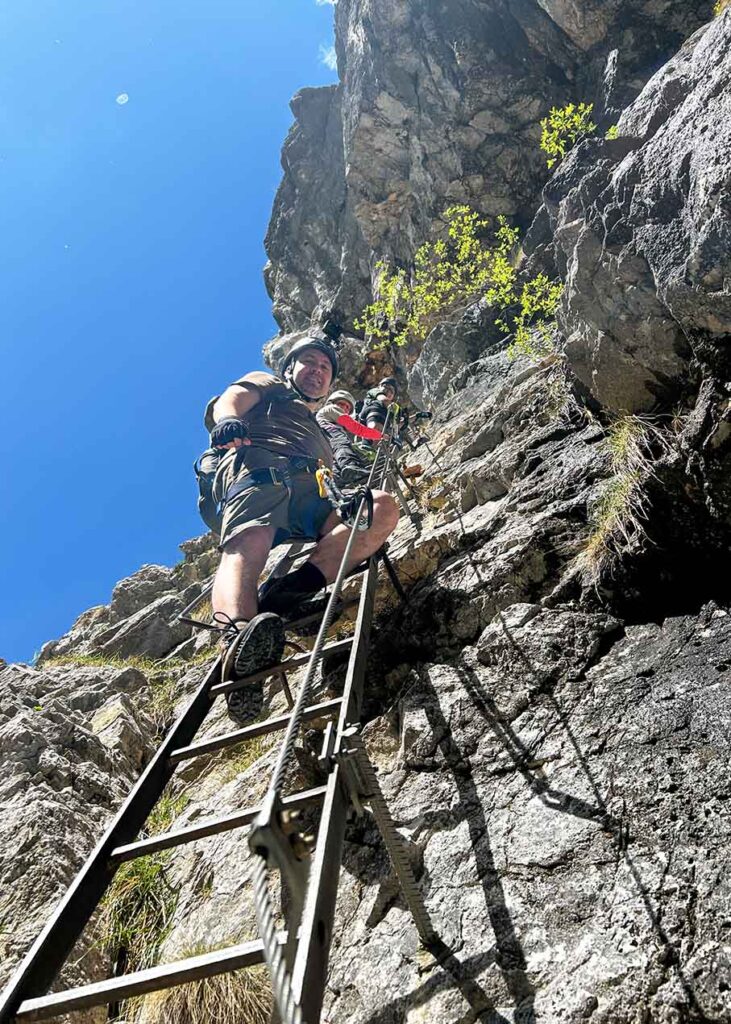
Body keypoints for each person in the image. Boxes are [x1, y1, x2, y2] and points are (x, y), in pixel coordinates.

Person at [205, 336, 400, 720]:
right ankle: (238, 640)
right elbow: (232, 399)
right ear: (290, 370)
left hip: (316, 491)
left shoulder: (321, 426)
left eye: (325, 369)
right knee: (251, 540)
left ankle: (288, 592)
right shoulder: (271, 387)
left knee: (380, 508)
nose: (317, 371)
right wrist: (229, 422)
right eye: (309, 363)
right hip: (262, 470)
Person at [316, 389, 384, 486]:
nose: (344, 408)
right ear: (333, 402)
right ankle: (351, 467)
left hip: (319, 441)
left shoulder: (323, 417)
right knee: (342, 445)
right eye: (341, 403)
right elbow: (356, 428)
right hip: (329, 432)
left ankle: (338, 480)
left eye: (348, 407)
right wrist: (379, 435)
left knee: (332, 460)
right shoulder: (332, 408)